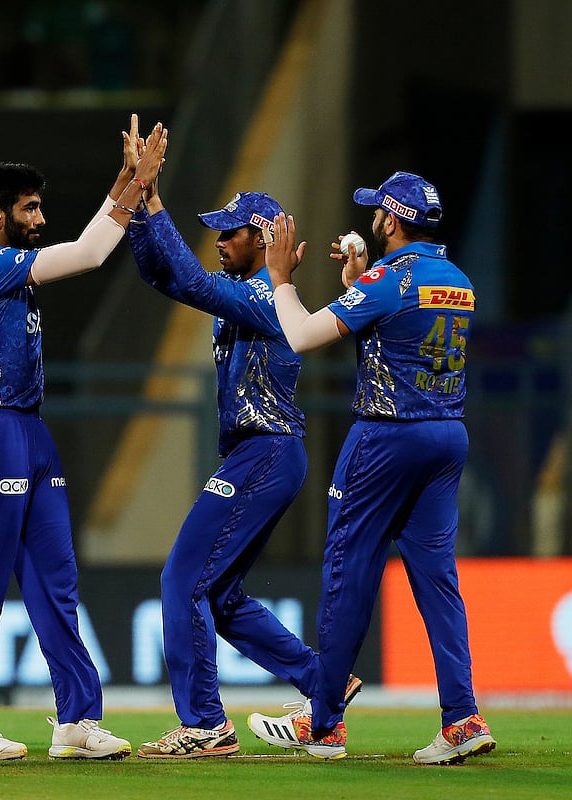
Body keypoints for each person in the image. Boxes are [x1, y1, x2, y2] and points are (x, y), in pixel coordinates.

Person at [0, 115, 166, 761]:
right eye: (29, 208)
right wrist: (134, 188)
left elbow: (81, 246)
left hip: (28, 428)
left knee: (56, 581)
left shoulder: (5, 263)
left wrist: (126, 181)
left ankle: (77, 721)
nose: (40, 217)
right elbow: (88, 253)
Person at [247, 171, 496, 765]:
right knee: (437, 581)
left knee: (348, 571)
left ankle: (324, 723)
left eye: (378, 211)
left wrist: (281, 278)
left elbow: (302, 335)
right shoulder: (457, 280)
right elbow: (400, 331)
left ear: (392, 219)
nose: (374, 218)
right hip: (447, 437)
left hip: (386, 438)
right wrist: (360, 278)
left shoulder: (391, 280)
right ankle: (462, 718)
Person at [128, 182, 363, 758]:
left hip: (266, 451)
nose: (218, 240)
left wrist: (155, 205)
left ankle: (205, 724)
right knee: (221, 597)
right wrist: (135, 209)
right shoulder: (243, 291)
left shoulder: (266, 296)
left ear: (261, 239)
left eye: (228, 231)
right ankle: (323, 683)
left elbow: (189, 281)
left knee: (182, 580)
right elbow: (162, 276)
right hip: (260, 455)